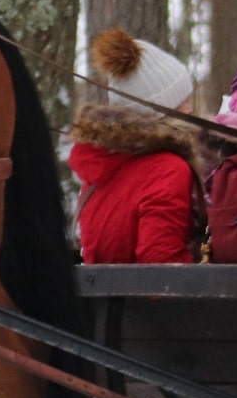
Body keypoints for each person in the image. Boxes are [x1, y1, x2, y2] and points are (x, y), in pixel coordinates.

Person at [70, 29, 202, 264]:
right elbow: (161, 264)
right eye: (181, 101)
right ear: (160, 110)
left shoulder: (102, 163)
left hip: (104, 298)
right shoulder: (167, 169)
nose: (190, 109)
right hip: (146, 299)